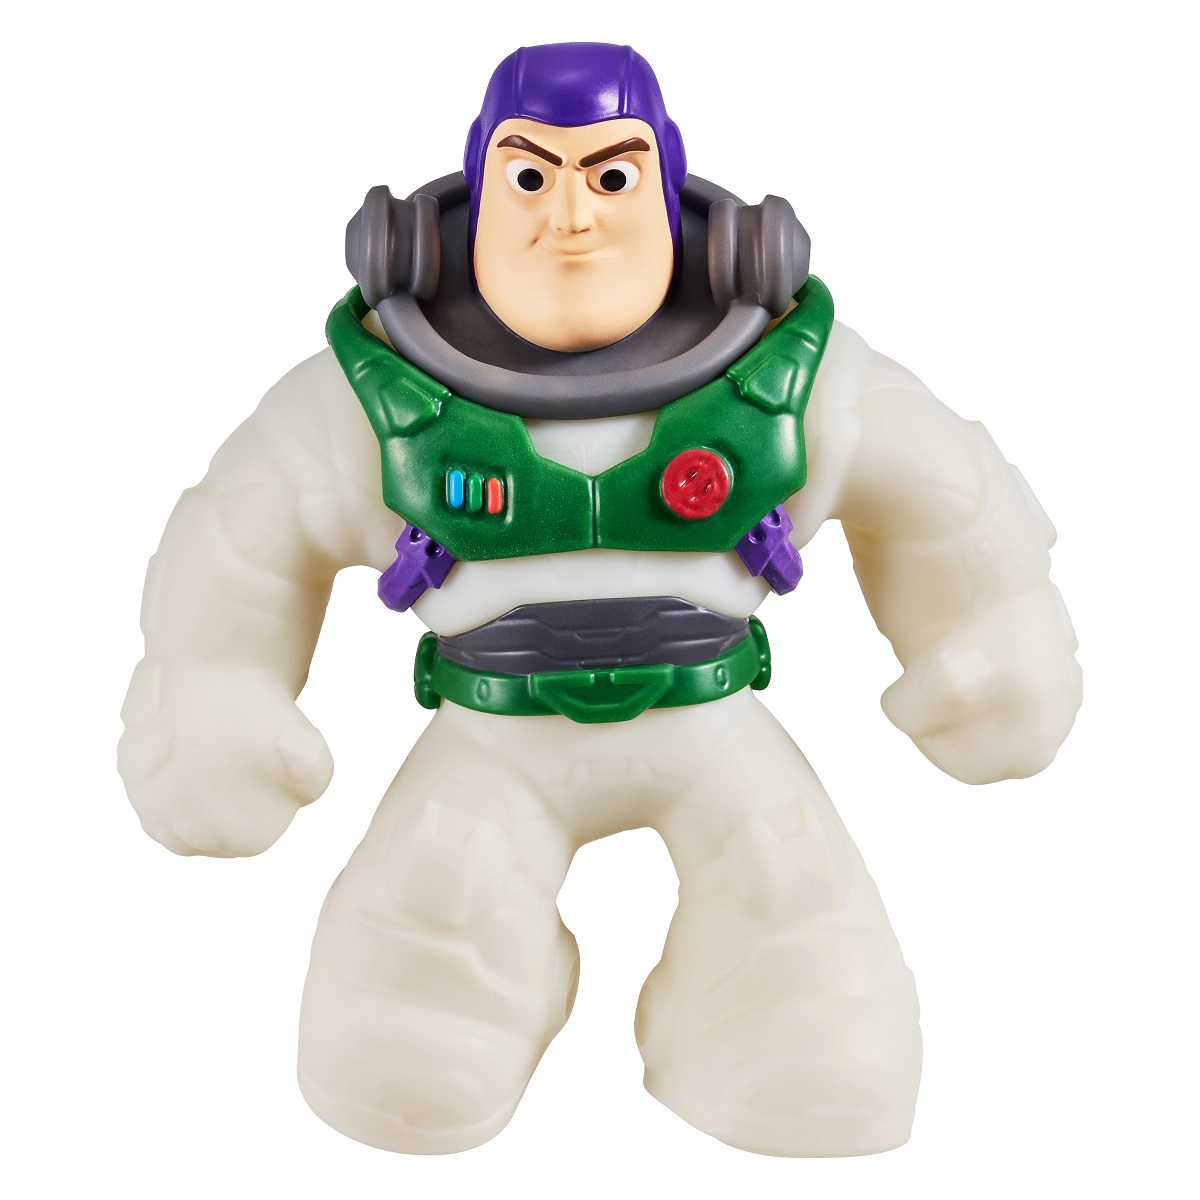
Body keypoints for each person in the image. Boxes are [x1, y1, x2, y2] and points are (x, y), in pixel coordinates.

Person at [119, 42, 1081, 1157]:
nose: (571, 218)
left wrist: (993, 634)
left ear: (686, 206)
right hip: (493, 736)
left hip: (713, 725)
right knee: (404, 1045)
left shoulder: (789, 380)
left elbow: (942, 497)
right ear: (440, 223)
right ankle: (462, 990)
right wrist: (212, 693)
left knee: (814, 1024)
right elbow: (242, 537)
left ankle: (759, 1014)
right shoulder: (374, 398)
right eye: (531, 176)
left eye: (612, 176)